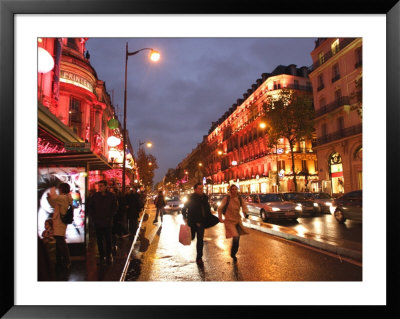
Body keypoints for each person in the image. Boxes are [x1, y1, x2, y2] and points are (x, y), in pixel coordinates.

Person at [181, 183, 212, 265]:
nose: (201, 190)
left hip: (201, 222)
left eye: (202, 188)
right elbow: (184, 209)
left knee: (200, 240)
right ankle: (192, 237)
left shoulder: (205, 197)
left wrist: (209, 217)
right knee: (192, 237)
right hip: (192, 221)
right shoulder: (191, 198)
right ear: (195, 190)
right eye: (199, 188)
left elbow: (207, 208)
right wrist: (185, 217)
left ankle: (199, 257)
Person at [87, 180, 117, 265]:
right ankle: (101, 257)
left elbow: (114, 207)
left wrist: (110, 216)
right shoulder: (95, 196)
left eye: (101, 186)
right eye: (98, 186)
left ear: (106, 186)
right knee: (99, 240)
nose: (99, 187)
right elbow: (91, 207)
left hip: (107, 222)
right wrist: (94, 217)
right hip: (98, 222)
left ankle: (108, 256)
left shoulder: (111, 196)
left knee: (108, 240)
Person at [217, 184, 249, 263]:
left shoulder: (239, 198)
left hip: (237, 220)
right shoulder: (227, 198)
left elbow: (244, 206)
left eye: (235, 189)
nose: (234, 191)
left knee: (237, 239)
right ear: (230, 190)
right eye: (233, 189)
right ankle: (233, 253)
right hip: (229, 221)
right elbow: (220, 208)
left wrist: (245, 213)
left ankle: (234, 252)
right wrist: (220, 217)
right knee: (236, 236)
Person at [47, 182, 72, 270]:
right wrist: (49, 198)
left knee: (61, 241)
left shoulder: (63, 197)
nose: (58, 190)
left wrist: (52, 186)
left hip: (59, 222)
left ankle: (66, 261)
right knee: (59, 241)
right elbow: (54, 204)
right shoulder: (65, 198)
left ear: (62, 189)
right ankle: (62, 261)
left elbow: (54, 198)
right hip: (59, 222)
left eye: (59, 188)